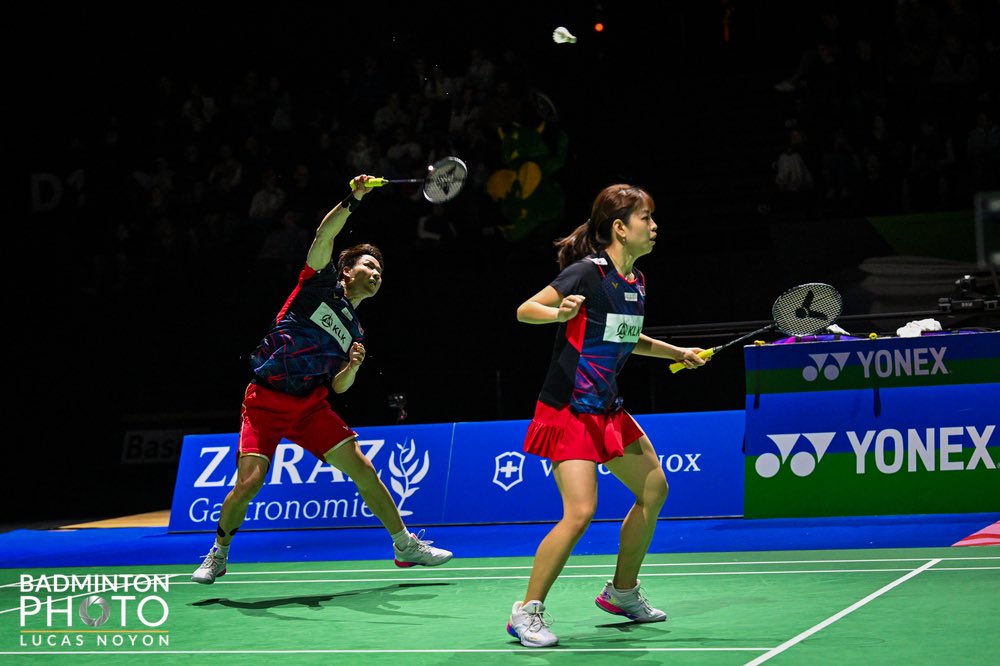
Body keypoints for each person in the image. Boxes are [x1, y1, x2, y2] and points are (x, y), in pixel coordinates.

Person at [192, 174, 453, 584]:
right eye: (370, 264)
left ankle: (405, 545)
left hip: (309, 405)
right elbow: (324, 233)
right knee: (249, 484)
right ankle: (219, 551)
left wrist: (353, 367)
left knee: (363, 469)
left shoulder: (356, 332)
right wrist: (355, 197)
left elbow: (338, 388)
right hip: (265, 400)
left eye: (381, 270)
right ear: (346, 270)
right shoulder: (318, 283)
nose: (377, 272)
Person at [505, 183, 709, 647]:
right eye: (645, 219)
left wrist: (679, 352)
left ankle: (622, 592)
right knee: (580, 512)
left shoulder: (635, 282)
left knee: (654, 487)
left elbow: (629, 338)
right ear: (619, 227)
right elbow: (526, 310)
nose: (654, 228)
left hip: (607, 409)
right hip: (569, 409)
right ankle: (526, 611)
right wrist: (557, 316)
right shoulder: (587, 274)